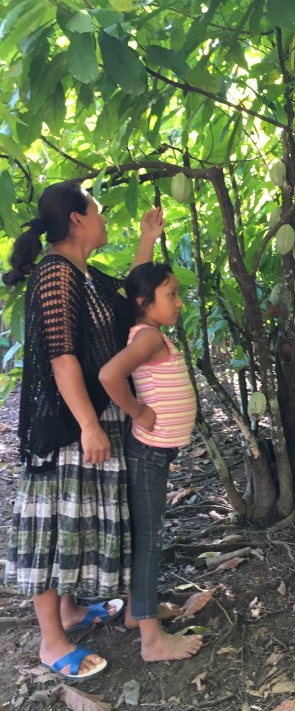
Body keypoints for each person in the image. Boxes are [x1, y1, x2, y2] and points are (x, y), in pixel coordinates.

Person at [3, 181, 164, 680]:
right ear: (76, 220)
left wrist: (148, 240)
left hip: (90, 417)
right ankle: (52, 642)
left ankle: (71, 611)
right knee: (54, 525)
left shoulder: (86, 275)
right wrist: (89, 425)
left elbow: (128, 308)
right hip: (66, 424)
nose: (102, 217)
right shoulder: (55, 275)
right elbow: (62, 357)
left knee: (73, 522)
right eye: (96, 210)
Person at [99, 262, 202, 661]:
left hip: (154, 456)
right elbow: (111, 376)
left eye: (178, 293)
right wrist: (138, 412)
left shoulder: (153, 334)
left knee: (147, 537)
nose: (179, 301)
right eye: (171, 295)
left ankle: (135, 612)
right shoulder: (147, 338)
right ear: (144, 302)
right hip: (146, 455)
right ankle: (150, 639)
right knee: (148, 542)